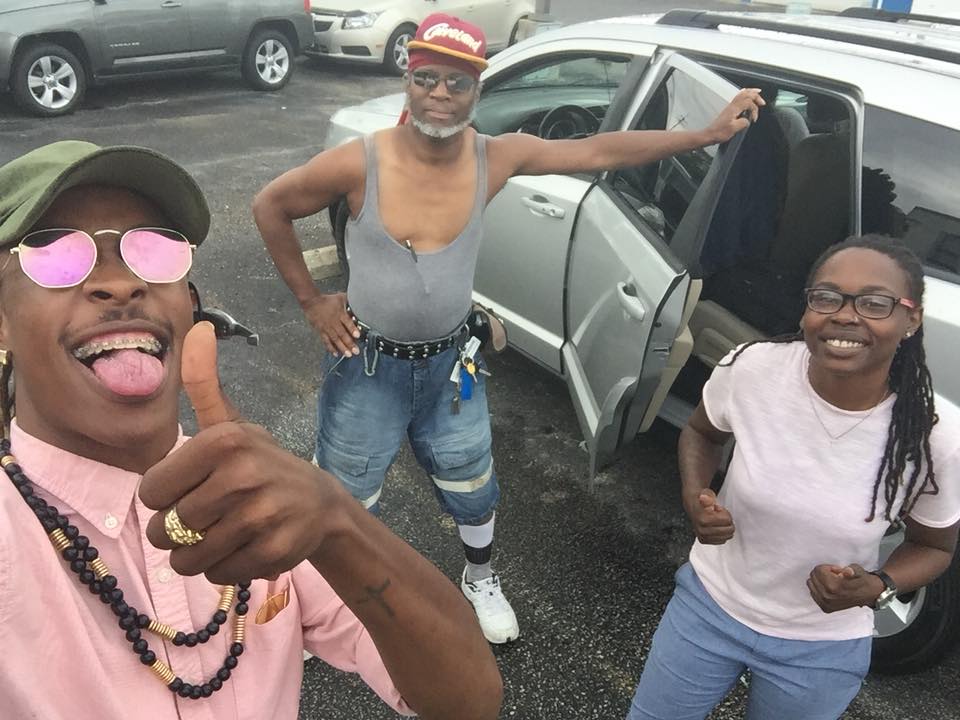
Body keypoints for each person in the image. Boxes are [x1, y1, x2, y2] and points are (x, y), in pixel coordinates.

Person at [252, 12, 764, 644]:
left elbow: (600, 150)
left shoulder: (495, 157)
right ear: (409, 80)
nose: (440, 93)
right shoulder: (359, 162)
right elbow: (270, 205)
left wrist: (707, 134)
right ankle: (326, 604)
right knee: (343, 496)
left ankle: (480, 577)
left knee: (473, 485)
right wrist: (312, 302)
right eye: (427, 78)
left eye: (458, 82)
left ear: (477, 90)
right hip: (367, 363)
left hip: (451, 367)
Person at [0, 140, 502, 720]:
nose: (119, 283)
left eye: (152, 249)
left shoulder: (262, 498)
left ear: (189, 307)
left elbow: (468, 702)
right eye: (56, 254)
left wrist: (338, 523)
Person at [627, 235, 960, 720]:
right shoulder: (753, 368)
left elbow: (934, 547)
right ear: (806, 310)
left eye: (874, 303)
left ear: (912, 320)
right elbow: (700, 432)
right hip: (709, 606)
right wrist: (696, 493)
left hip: (820, 646)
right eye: (827, 297)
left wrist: (877, 585)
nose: (845, 315)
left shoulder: (933, 437)